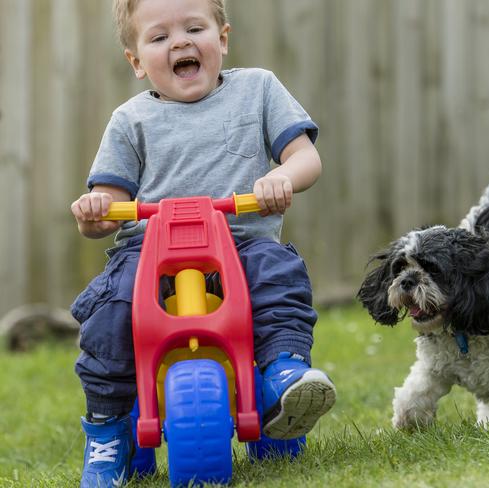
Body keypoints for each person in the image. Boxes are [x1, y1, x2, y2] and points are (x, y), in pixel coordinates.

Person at [69, 0, 336, 485]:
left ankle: (282, 375)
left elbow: (306, 158)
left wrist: (282, 177)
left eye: (194, 28)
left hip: (239, 243)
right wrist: (94, 212)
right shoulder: (130, 121)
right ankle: (109, 428)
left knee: (278, 274)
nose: (180, 43)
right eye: (158, 37)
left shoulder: (258, 89)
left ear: (223, 39)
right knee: (111, 312)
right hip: (148, 254)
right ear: (136, 62)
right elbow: (105, 205)